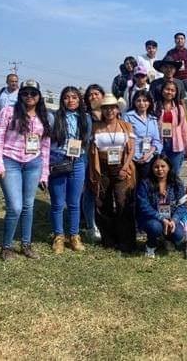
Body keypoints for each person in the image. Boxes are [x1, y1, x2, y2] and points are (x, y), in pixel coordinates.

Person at [0, 79, 51, 261]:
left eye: (33, 93)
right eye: (25, 93)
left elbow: (45, 147)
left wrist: (45, 173)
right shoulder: (8, 112)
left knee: (28, 206)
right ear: (20, 95)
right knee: (15, 207)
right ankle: (6, 247)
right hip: (11, 162)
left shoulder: (43, 117)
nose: (29, 96)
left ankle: (26, 244)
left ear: (39, 96)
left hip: (33, 163)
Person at [88, 93, 136, 252]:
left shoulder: (126, 126)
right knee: (102, 202)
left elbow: (132, 149)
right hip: (101, 167)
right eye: (105, 108)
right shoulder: (96, 127)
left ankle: (126, 240)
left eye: (112, 108)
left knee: (123, 202)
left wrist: (125, 167)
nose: (109, 111)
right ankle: (108, 239)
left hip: (121, 166)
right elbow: (91, 149)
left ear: (117, 109)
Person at [47, 86, 92, 254]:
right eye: (67, 97)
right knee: (58, 202)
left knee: (74, 202)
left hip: (78, 161)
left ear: (79, 100)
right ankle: (59, 236)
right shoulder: (54, 117)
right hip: (58, 161)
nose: (71, 100)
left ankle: (74, 236)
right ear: (62, 100)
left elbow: (86, 139)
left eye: (74, 97)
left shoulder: (85, 118)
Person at [136, 154, 187, 258]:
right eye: (156, 167)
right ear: (152, 168)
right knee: (155, 227)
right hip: (152, 218)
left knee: (178, 235)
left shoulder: (176, 183)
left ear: (169, 167)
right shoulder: (145, 183)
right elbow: (143, 206)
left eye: (163, 166)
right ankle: (151, 245)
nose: (160, 169)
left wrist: (174, 220)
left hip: (171, 217)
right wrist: (161, 218)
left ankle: (165, 239)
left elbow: (182, 205)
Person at [82, 84, 104, 241]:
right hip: (88, 158)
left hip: (107, 159)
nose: (94, 97)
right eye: (90, 95)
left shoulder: (112, 114)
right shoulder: (84, 117)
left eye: (96, 94)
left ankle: (105, 222)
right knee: (89, 192)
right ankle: (90, 225)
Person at [123, 90, 162, 180]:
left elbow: (156, 140)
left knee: (145, 185)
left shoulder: (153, 118)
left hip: (148, 158)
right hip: (132, 158)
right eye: (138, 100)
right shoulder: (128, 117)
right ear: (134, 102)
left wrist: (149, 154)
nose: (142, 103)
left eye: (145, 100)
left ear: (149, 102)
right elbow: (125, 138)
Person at [155, 80, 187, 175]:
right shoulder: (155, 107)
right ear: (162, 90)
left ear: (176, 93)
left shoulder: (179, 108)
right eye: (167, 89)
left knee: (174, 174)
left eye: (173, 90)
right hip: (160, 145)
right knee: (160, 174)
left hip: (176, 145)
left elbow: (184, 130)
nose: (169, 92)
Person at [165, 32, 187, 99]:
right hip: (175, 80)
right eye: (178, 39)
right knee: (176, 98)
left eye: (182, 38)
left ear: (185, 40)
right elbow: (165, 65)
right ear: (175, 40)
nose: (180, 40)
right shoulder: (170, 53)